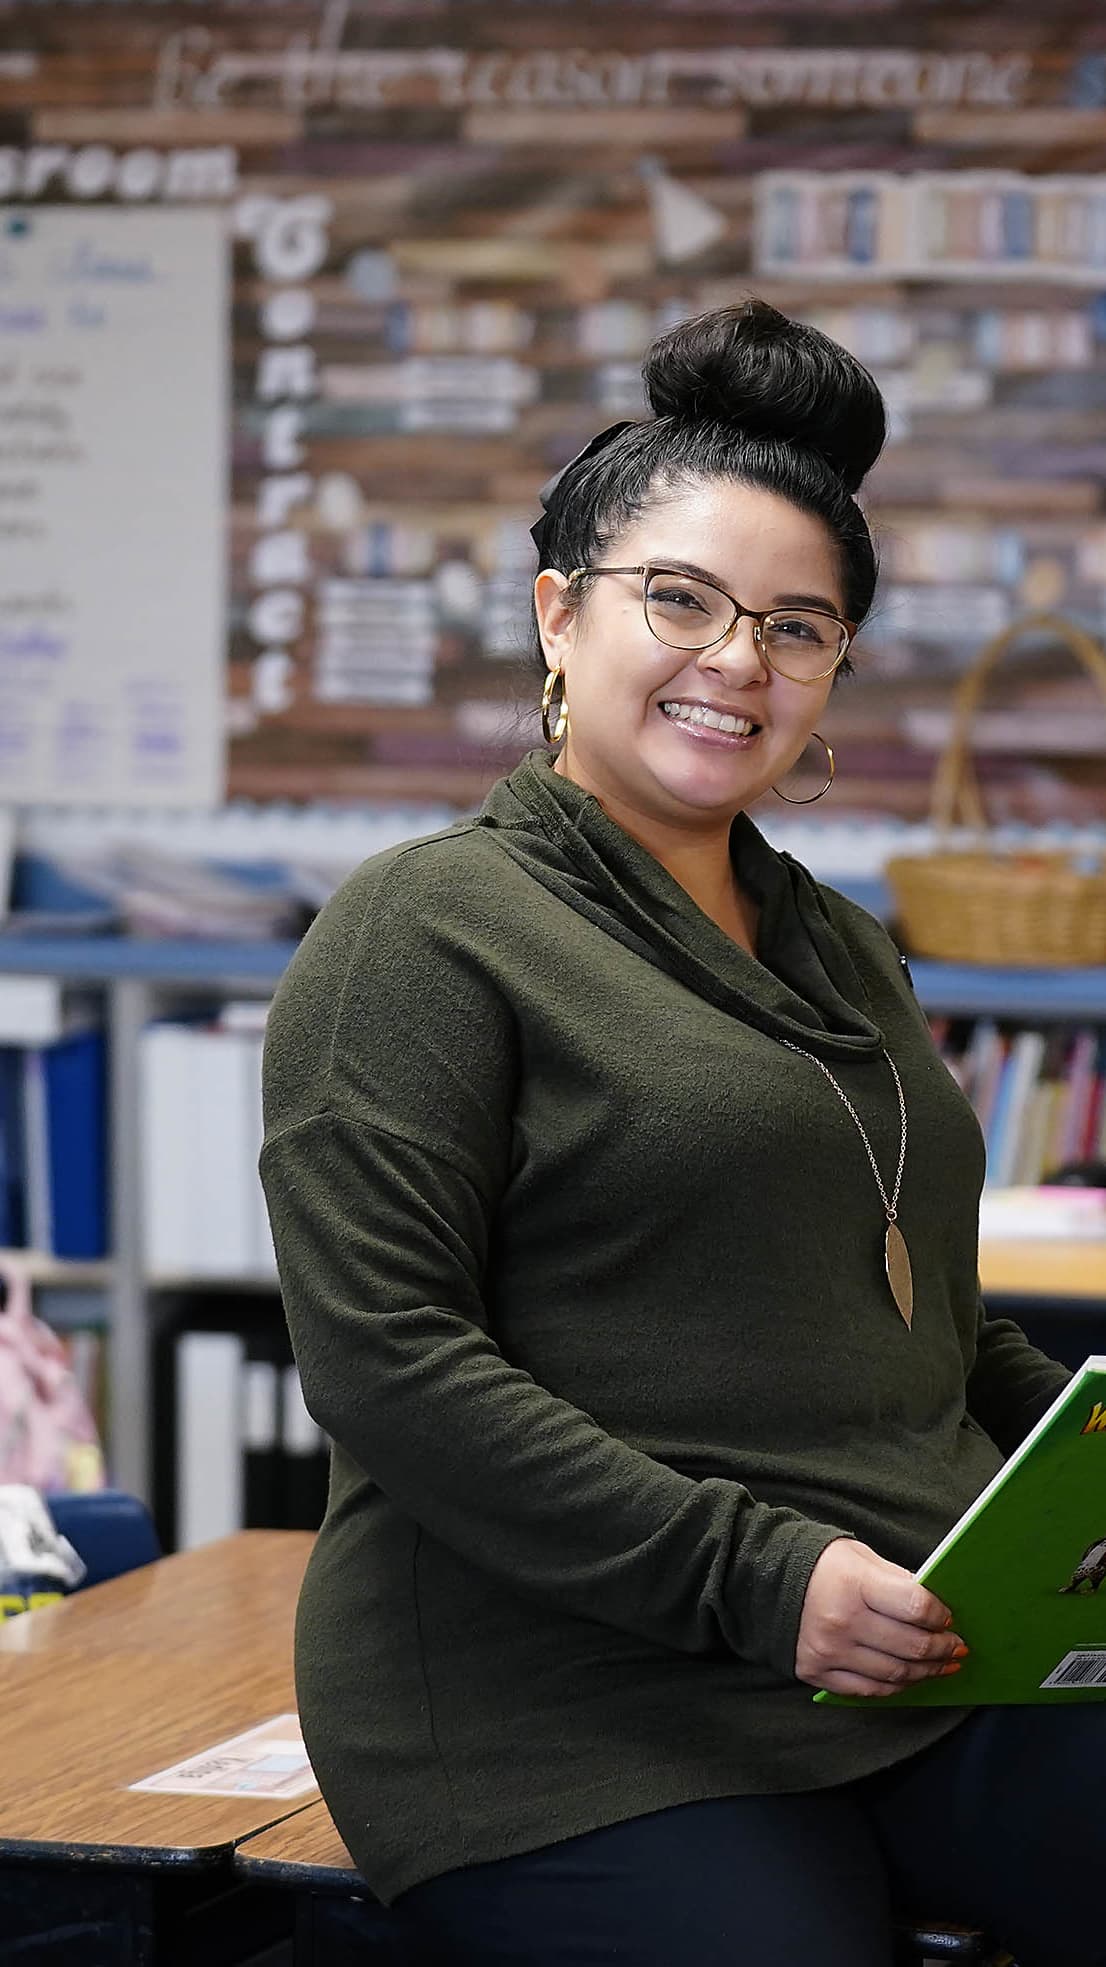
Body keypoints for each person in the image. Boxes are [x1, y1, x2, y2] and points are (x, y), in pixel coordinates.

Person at [260, 301, 1102, 1967]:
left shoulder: (838, 939)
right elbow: (388, 1363)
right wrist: (756, 1577)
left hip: (903, 1649)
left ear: (835, 673)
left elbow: (925, 1315)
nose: (737, 662)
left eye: (797, 627)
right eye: (681, 600)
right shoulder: (423, 928)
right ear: (557, 616)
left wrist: (1078, 1455)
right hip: (557, 1704)